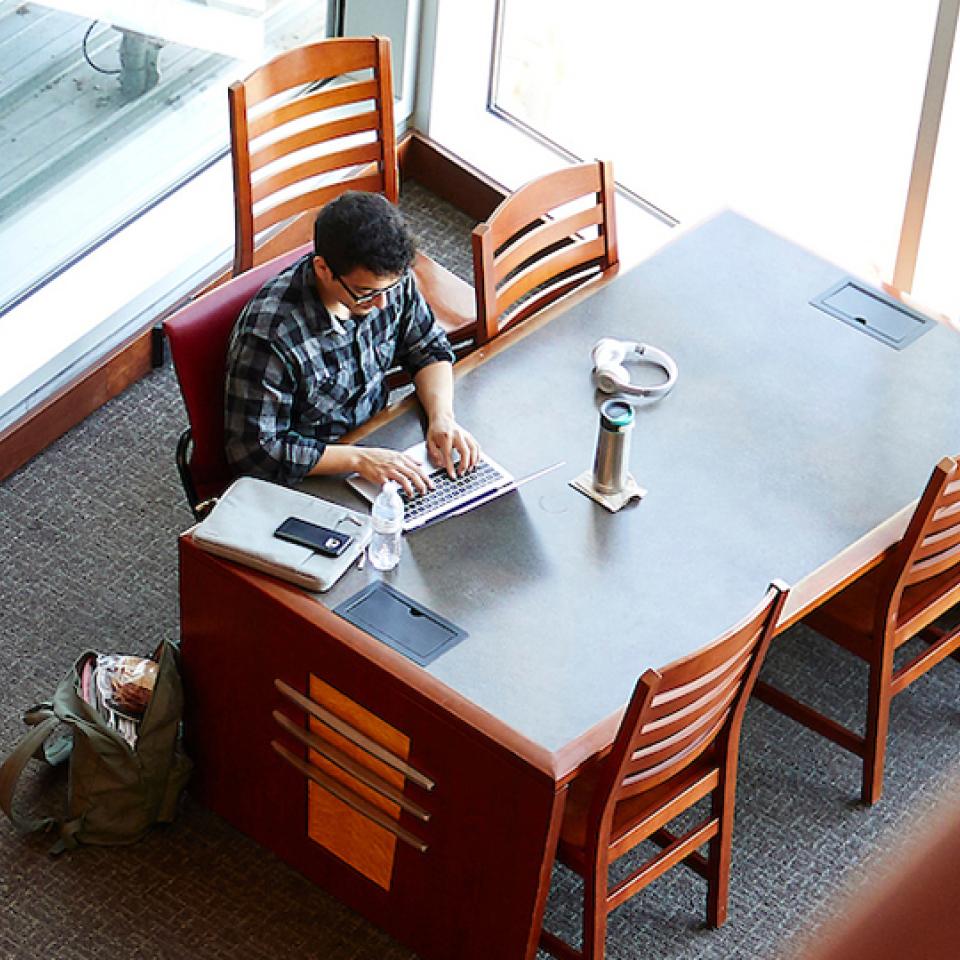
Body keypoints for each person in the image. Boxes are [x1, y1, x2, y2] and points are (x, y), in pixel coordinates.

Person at [224, 191, 480, 495]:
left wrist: (442, 417)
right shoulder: (268, 338)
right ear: (323, 269)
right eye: (365, 292)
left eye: (390, 289)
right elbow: (256, 453)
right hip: (312, 470)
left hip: (377, 435)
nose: (382, 303)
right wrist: (358, 458)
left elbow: (427, 347)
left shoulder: (387, 281)